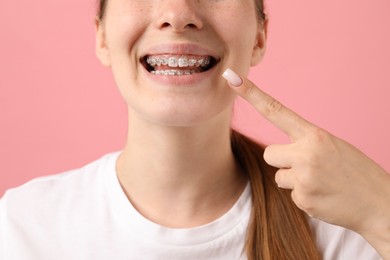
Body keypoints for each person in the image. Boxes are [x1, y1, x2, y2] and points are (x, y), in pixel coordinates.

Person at [0, 0, 389, 259]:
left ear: (259, 36)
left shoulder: (346, 229)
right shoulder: (23, 228)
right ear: (101, 36)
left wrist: (380, 212)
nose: (178, 12)